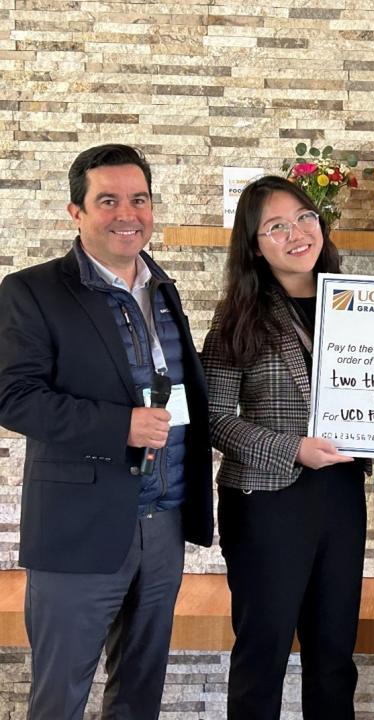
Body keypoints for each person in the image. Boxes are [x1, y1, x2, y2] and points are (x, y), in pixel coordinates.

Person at [0, 143, 214, 719]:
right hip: (78, 533)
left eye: (139, 199)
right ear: (77, 212)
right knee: (60, 698)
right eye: (108, 200)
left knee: (139, 694)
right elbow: (13, 398)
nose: (128, 213)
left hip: (163, 523)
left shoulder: (163, 291)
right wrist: (121, 425)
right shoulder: (31, 292)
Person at [201, 176, 366, 719]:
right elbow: (213, 418)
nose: (297, 233)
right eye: (276, 226)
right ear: (254, 244)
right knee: (263, 653)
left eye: (305, 217)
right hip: (267, 502)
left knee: (335, 656)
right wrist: (292, 448)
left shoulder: (360, 305)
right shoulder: (238, 317)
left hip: (341, 497)